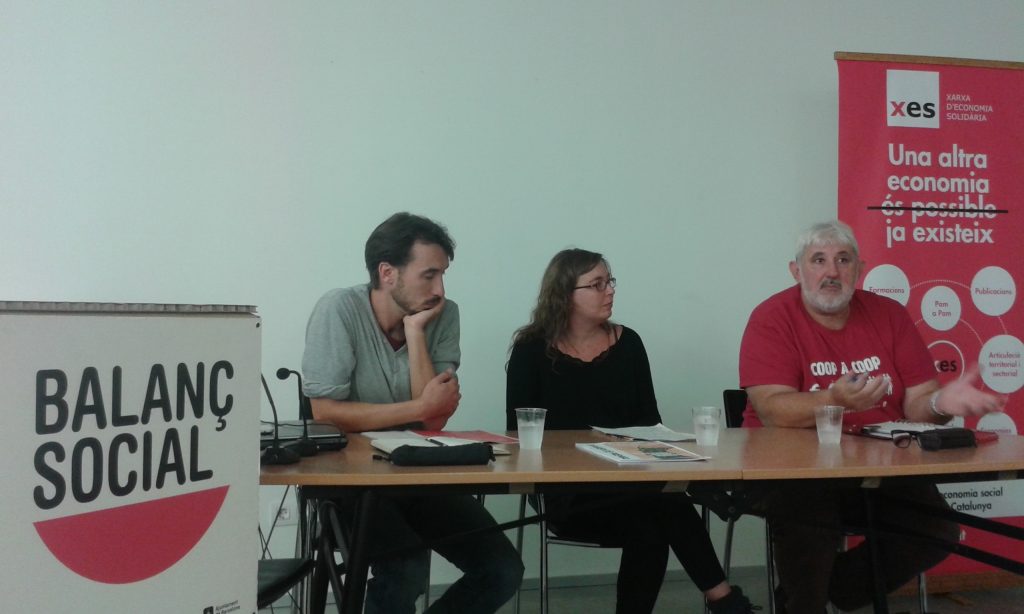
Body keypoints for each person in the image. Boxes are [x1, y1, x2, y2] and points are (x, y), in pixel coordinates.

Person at [739, 220, 1006, 614]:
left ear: (859, 269)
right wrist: (834, 399)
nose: (832, 272)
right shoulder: (771, 317)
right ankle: (806, 602)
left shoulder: (888, 314)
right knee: (812, 523)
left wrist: (941, 404)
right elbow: (772, 408)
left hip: (878, 467)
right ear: (797, 271)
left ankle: (835, 590)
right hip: (793, 470)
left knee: (937, 530)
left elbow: (919, 402)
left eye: (843, 260)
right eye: (818, 260)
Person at [506, 248, 756, 614]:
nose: (609, 290)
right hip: (568, 491)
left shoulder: (629, 344)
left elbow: (650, 423)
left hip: (632, 481)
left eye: (610, 281)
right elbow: (518, 432)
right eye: (597, 284)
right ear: (565, 293)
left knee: (654, 518)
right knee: (664, 509)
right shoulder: (531, 350)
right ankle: (727, 600)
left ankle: (724, 597)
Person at [302, 212, 523, 614]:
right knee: (406, 568)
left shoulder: (444, 314)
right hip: (350, 480)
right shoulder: (339, 309)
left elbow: (432, 421)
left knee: (502, 569)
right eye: (429, 275)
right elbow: (324, 413)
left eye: (443, 275)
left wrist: (416, 332)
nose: (440, 289)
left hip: (417, 471)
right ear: (388, 273)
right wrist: (418, 407)